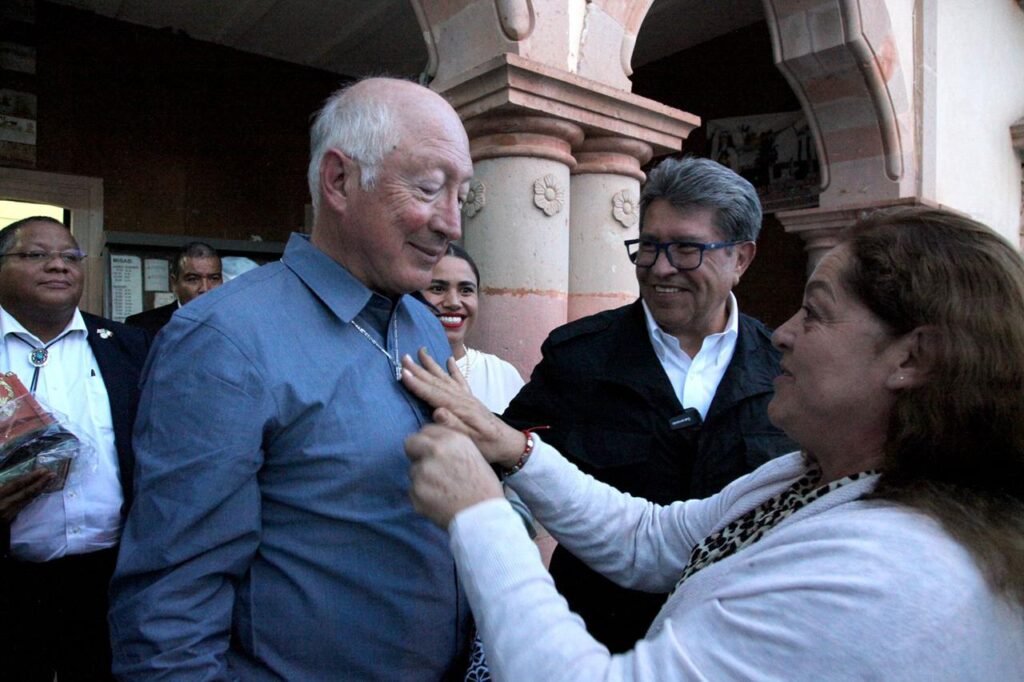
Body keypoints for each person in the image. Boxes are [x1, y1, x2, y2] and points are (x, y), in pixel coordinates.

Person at [400, 206, 1024, 680]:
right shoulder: (809, 477)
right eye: (649, 247)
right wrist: (513, 448)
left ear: (910, 357)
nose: (782, 333)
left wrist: (480, 514)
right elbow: (654, 538)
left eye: (817, 313)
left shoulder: (891, 572)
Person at [108, 77, 474, 680]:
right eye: (431, 188)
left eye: (464, 194)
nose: (452, 223)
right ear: (339, 180)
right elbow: (171, 608)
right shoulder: (224, 339)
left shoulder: (423, 324)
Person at [503, 155, 795, 649]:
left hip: (736, 647)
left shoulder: (785, 370)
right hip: (596, 643)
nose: (660, 269)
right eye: (649, 248)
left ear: (741, 258)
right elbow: (510, 467)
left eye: (685, 250)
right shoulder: (579, 358)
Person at [0, 216, 150, 681]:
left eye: (70, 256)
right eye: (36, 255)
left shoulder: (127, 346)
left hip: (109, 578)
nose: (58, 266)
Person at [421, 243, 524, 413]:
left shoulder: (502, 375)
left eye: (466, 290)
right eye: (438, 288)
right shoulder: (391, 370)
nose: (453, 302)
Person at [124, 241, 223, 334]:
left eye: (214, 278)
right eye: (193, 279)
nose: (205, 289)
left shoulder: (234, 322)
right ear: (174, 283)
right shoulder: (141, 326)